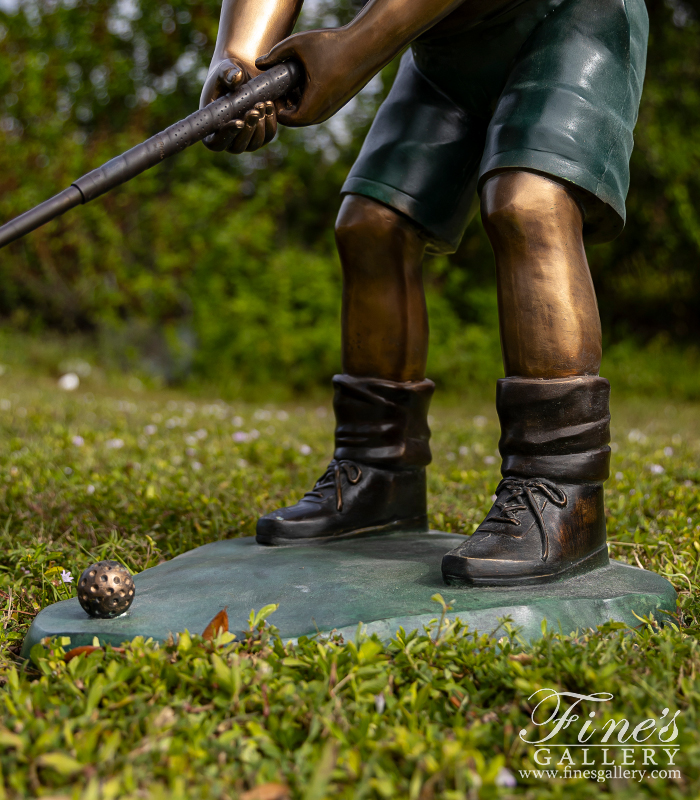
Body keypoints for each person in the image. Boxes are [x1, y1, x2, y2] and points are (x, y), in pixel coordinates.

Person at [199, 0, 649, 585]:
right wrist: (238, 60)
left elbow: (359, 48)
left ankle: (561, 496)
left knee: (526, 201)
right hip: (445, 45)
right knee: (372, 224)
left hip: (572, 17)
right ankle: (378, 478)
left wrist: (356, 46)